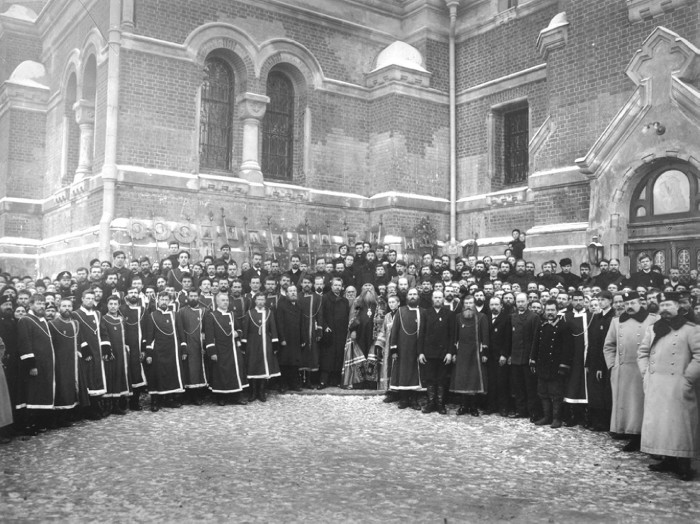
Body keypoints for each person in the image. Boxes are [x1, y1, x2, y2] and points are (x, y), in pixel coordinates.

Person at [637, 291, 700, 481]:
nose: (664, 308)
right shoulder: (654, 328)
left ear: (678, 307)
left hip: (678, 384)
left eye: (668, 305)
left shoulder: (691, 329)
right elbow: (642, 352)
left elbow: (699, 356)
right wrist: (646, 374)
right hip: (656, 383)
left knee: (680, 425)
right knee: (661, 424)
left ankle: (684, 464)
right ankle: (667, 459)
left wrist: (688, 379)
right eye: (662, 305)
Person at [603, 291, 656, 451]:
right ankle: (629, 433)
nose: (629, 306)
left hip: (643, 370)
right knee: (626, 405)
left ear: (640, 302)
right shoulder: (617, 321)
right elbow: (609, 345)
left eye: (632, 303)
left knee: (640, 405)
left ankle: (641, 437)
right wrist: (612, 366)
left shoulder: (653, 319)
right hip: (623, 369)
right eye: (626, 304)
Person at [530, 300, 574, 429]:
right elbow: (535, 343)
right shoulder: (542, 325)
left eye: (552, 310)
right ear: (544, 311)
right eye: (548, 310)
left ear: (557, 311)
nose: (550, 313)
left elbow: (568, 348)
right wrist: (533, 359)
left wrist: (564, 365)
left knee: (556, 394)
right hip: (542, 365)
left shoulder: (564, 326)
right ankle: (547, 417)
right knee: (543, 393)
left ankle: (556, 418)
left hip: (556, 366)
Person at [17, 294, 55, 435]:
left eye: (43, 303)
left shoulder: (43, 320)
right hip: (34, 365)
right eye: (38, 303)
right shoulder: (25, 320)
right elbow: (24, 343)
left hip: (46, 364)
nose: (41, 306)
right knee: (32, 393)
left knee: (42, 392)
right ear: (31, 304)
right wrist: (31, 365)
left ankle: (40, 423)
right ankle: (29, 425)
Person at [143, 292, 186, 412]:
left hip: (173, 350)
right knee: (156, 374)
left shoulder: (175, 315)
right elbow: (149, 336)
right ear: (158, 300)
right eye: (161, 299)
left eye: (166, 299)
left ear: (170, 301)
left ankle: (169, 399)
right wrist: (149, 354)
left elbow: (181, 332)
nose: (164, 302)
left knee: (172, 374)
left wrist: (183, 348)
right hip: (158, 350)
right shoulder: (152, 315)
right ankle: (155, 401)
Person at [204, 293, 248, 405]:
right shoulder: (211, 316)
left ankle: (236, 396)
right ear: (217, 302)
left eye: (227, 300)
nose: (225, 302)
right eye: (223, 300)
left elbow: (239, 329)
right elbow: (209, 336)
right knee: (221, 372)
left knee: (236, 370)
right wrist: (212, 352)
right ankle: (221, 397)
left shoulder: (232, 314)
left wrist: (237, 333)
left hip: (233, 348)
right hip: (219, 349)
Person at [450, 296, 489, 416]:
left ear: (474, 304)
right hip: (462, 353)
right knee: (463, 379)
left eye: (470, 303)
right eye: (466, 303)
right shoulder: (458, 317)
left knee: (474, 379)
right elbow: (454, 336)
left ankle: (473, 407)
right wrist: (454, 353)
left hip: (476, 353)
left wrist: (484, 353)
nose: (468, 305)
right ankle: (463, 406)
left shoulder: (482, 317)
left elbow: (485, 336)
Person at [389, 288, 426, 410]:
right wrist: (394, 349)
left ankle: (414, 400)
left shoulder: (423, 312)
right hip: (403, 349)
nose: (413, 296)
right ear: (407, 297)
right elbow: (394, 331)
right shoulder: (400, 311)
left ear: (418, 296)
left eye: (415, 294)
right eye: (410, 294)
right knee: (403, 373)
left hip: (417, 348)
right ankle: (403, 399)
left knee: (416, 373)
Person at [584, 291, 615, 431]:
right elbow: (592, 342)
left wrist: (601, 367)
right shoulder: (596, 317)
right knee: (594, 392)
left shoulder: (612, 318)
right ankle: (594, 420)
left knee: (604, 394)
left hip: (604, 362)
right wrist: (588, 363)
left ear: (610, 301)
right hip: (594, 360)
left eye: (603, 300)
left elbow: (606, 345)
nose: (600, 302)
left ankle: (604, 423)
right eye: (599, 300)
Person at [419, 290, 454, 415]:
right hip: (429, 352)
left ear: (443, 299)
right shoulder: (426, 313)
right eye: (435, 297)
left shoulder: (449, 313)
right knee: (430, 378)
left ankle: (440, 404)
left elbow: (452, 335)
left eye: (440, 297)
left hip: (443, 353)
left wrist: (450, 352)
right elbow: (421, 333)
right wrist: (421, 352)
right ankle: (431, 403)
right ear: (432, 299)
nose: (438, 299)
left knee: (441, 379)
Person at [241, 293, 281, 402]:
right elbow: (245, 329)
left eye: (262, 299)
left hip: (265, 342)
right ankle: (253, 392)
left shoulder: (269, 313)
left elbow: (273, 328)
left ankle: (262, 391)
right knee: (253, 365)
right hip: (252, 343)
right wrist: (244, 344)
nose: (260, 302)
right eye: (258, 299)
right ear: (255, 301)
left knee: (264, 365)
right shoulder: (249, 313)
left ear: (265, 301)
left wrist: (275, 343)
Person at [510, 292, 541, 421]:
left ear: (528, 302)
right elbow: (510, 338)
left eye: (523, 301)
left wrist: (532, 357)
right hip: (516, 357)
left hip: (528, 357)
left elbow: (536, 339)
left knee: (530, 387)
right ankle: (520, 410)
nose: (520, 304)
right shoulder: (512, 317)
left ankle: (533, 412)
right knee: (518, 386)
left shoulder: (534, 317)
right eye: (518, 302)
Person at [343, 284, 381, 389]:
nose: (368, 288)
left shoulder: (379, 302)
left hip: (374, 334)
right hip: (360, 334)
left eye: (370, 286)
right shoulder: (358, 302)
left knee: (372, 357)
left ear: (374, 289)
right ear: (361, 290)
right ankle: (359, 382)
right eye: (365, 286)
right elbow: (353, 316)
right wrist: (353, 330)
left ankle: (372, 383)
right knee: (360, 358)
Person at [100, 296, 131, 415]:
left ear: (119, 306)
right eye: (111, 304)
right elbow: (103, 335)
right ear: (107, 305)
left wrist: (126, 345)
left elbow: (126, 335)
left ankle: (117, 404)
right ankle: (107, 406)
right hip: (110, 352)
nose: (113, 306)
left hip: (121, 353)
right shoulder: (104, 319)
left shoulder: (122, 319)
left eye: (115, 304)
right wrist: (107, 350)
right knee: (109, 375)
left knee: (119, 375)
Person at [120, 286, 148, 410]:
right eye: (130, 292)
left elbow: (146, 330)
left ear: (138, 295)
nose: (133, 295)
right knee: (124, 372)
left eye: (135, 293)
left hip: (138, 346)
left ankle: (134, 402)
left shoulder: (143, 310)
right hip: (124, 346)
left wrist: (144, 349)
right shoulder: (121, 309)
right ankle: (121, 402)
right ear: (127, 295)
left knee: (136, 372)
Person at [178, 289, 208, 404]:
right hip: (186, 342)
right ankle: (186, 395)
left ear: (199, 297)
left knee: (197, 369)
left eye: (195, 296)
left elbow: (206, 328)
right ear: (187, 297)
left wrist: (204, 343)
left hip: (198, 344)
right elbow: (179, 328)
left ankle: (197, 395)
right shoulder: (182, 311)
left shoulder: (204, 311)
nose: (193, 298)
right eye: (191, 296)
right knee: (186, 368)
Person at [319, 278, 349, 389]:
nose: (337, 287)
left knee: (339, 355)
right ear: (331, 286)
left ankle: (336, 380)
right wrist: (325, 326)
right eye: (335, 285)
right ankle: (323, 381)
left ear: (342, 287)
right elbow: (321, 314)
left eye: (339, 285)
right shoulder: (325, 298)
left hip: (341, 332)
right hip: (329, 332)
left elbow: (346, 316)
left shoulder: (344, 301)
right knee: (327, 356)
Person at [275, 285, 304, 392]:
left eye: (294, 291)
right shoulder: (282, 306)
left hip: (295, 339)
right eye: (290, 291)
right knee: (284, 362)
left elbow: (302, 323)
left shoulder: (299, 306)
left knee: (294, 363)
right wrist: (282, 339)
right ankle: (283, 385)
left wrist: (302, 339)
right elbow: (279, 323)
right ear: (286, 293)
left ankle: (294, 384)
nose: (293, 293)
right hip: (286, 339)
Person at [486, 296, 511, 416]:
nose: (494, 307)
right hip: (489, 356)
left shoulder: (506, 318)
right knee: (491, 382)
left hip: (500, 356)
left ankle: (503, 407)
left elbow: (508, 338)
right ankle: (491, 406)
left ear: (501, 306)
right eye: (492, 305)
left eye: (496, 304)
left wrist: (504, 354)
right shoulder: (486, 318)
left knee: (502, 382)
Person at [299, 276, 323, 388]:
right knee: (300, 354)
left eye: (309, 282)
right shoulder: (297, 296)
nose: (307, 285)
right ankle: (300, 379)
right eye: (305, 282)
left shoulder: (317, 297)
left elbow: (320, 315)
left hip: (312, 329)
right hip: (300, 328)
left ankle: (308, 380)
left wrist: (319, 331)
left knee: (311, 353)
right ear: (301, 284)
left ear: (312, 284)